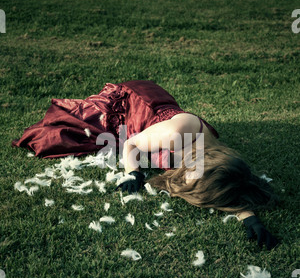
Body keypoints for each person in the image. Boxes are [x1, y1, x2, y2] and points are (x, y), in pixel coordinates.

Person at [12, 80, 279, 250]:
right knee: (62, 137)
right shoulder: (176, 138)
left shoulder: (215, 159)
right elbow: (131, 145)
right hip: (134, 104)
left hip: (165, 119)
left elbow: (221, 183)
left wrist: (248, 216)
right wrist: (133, 173)